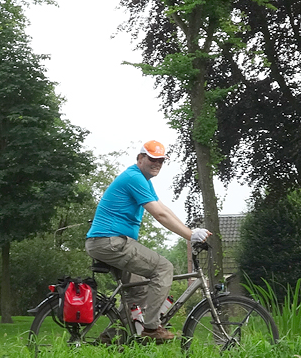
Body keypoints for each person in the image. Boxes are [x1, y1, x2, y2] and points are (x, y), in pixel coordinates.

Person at [85, 140, 210, 343]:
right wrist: (189, 236)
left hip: (107, 242)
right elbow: (159, 215)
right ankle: (152, 328)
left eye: (161, 161)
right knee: (163, 268)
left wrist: (191, 230)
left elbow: (164, 208)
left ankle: (110, 340)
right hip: (110, 241)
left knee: (139, 290)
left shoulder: (142, 180)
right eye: (153, 159)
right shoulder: (134, 178)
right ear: (140, 158)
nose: (157, 164)